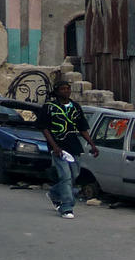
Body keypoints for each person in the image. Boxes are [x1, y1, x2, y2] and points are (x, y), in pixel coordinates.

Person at [36, 80, 99, 218]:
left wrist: (92, 145)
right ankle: (67, 207)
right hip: (58, 146)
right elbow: (44, 128)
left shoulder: (75, 107)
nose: (66, 91)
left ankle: (54, 193)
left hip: (74, 146)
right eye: (63, 89)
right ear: (57, 91)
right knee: (65, 176)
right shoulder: (49, 107)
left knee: (74, 175)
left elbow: (83, 128)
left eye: (68, 88)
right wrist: (54, 147)